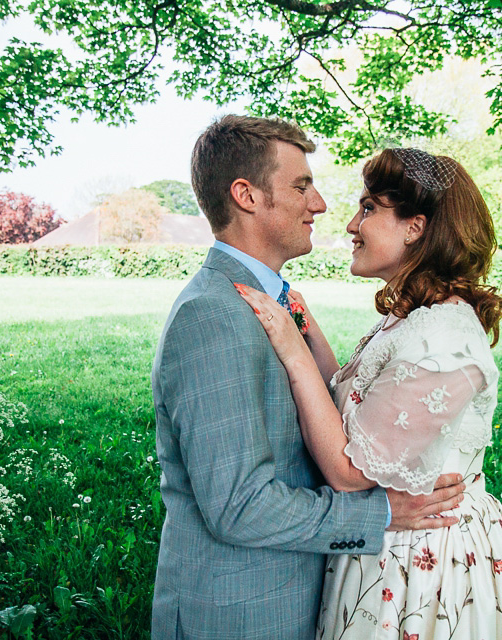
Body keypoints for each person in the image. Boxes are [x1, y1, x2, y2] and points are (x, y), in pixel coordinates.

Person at [150, 117, 467, 640]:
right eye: (302, 186)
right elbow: (238, 507)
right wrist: (380, 512)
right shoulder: (212, 316)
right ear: (246, 196)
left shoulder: (271, 303)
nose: (320, 205)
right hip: (239, 614)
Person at [236, 148, 502, 639]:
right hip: (390, 543)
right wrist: (306, 328)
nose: (350, 223)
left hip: (429, 564)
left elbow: (349, 473)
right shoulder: (411, 321)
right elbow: (351, 406)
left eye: (368, 208)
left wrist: (292, 349)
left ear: (416, 227)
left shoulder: (443, 338)